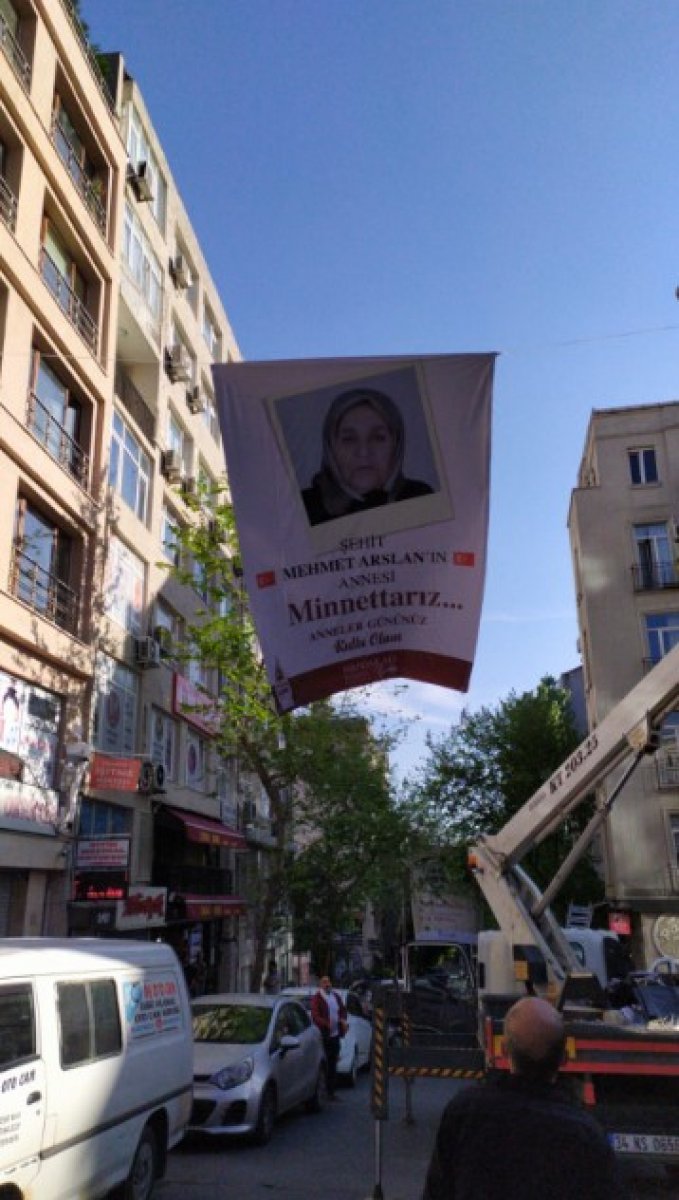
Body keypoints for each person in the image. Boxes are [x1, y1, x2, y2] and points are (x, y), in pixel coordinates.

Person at [421, 996, 623, 1200]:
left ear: (503, 1050)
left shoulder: (465, 1113)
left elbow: (437, 1191)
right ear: (564, 1058)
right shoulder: (586, 1136)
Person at [301, 387, 434, 526]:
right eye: (349, 439)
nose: (364, 452)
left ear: (396, 444)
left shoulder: (419, 496)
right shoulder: (305, 508)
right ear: (330, 447)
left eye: (377, 438)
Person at [310, 974, 348, 1099]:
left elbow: (342, 1010)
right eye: (324, 982)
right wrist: (326, 1024)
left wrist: (342, 1020)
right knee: (323, 1063)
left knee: (333, 1063)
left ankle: (331, 1091)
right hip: (324, 1036)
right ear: (320, 985)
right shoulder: (317, 998)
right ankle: (321, 1091)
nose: (327, 984)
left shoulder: (335, 996)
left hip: (335, 1035)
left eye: (328, 982)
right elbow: (315, 1016)